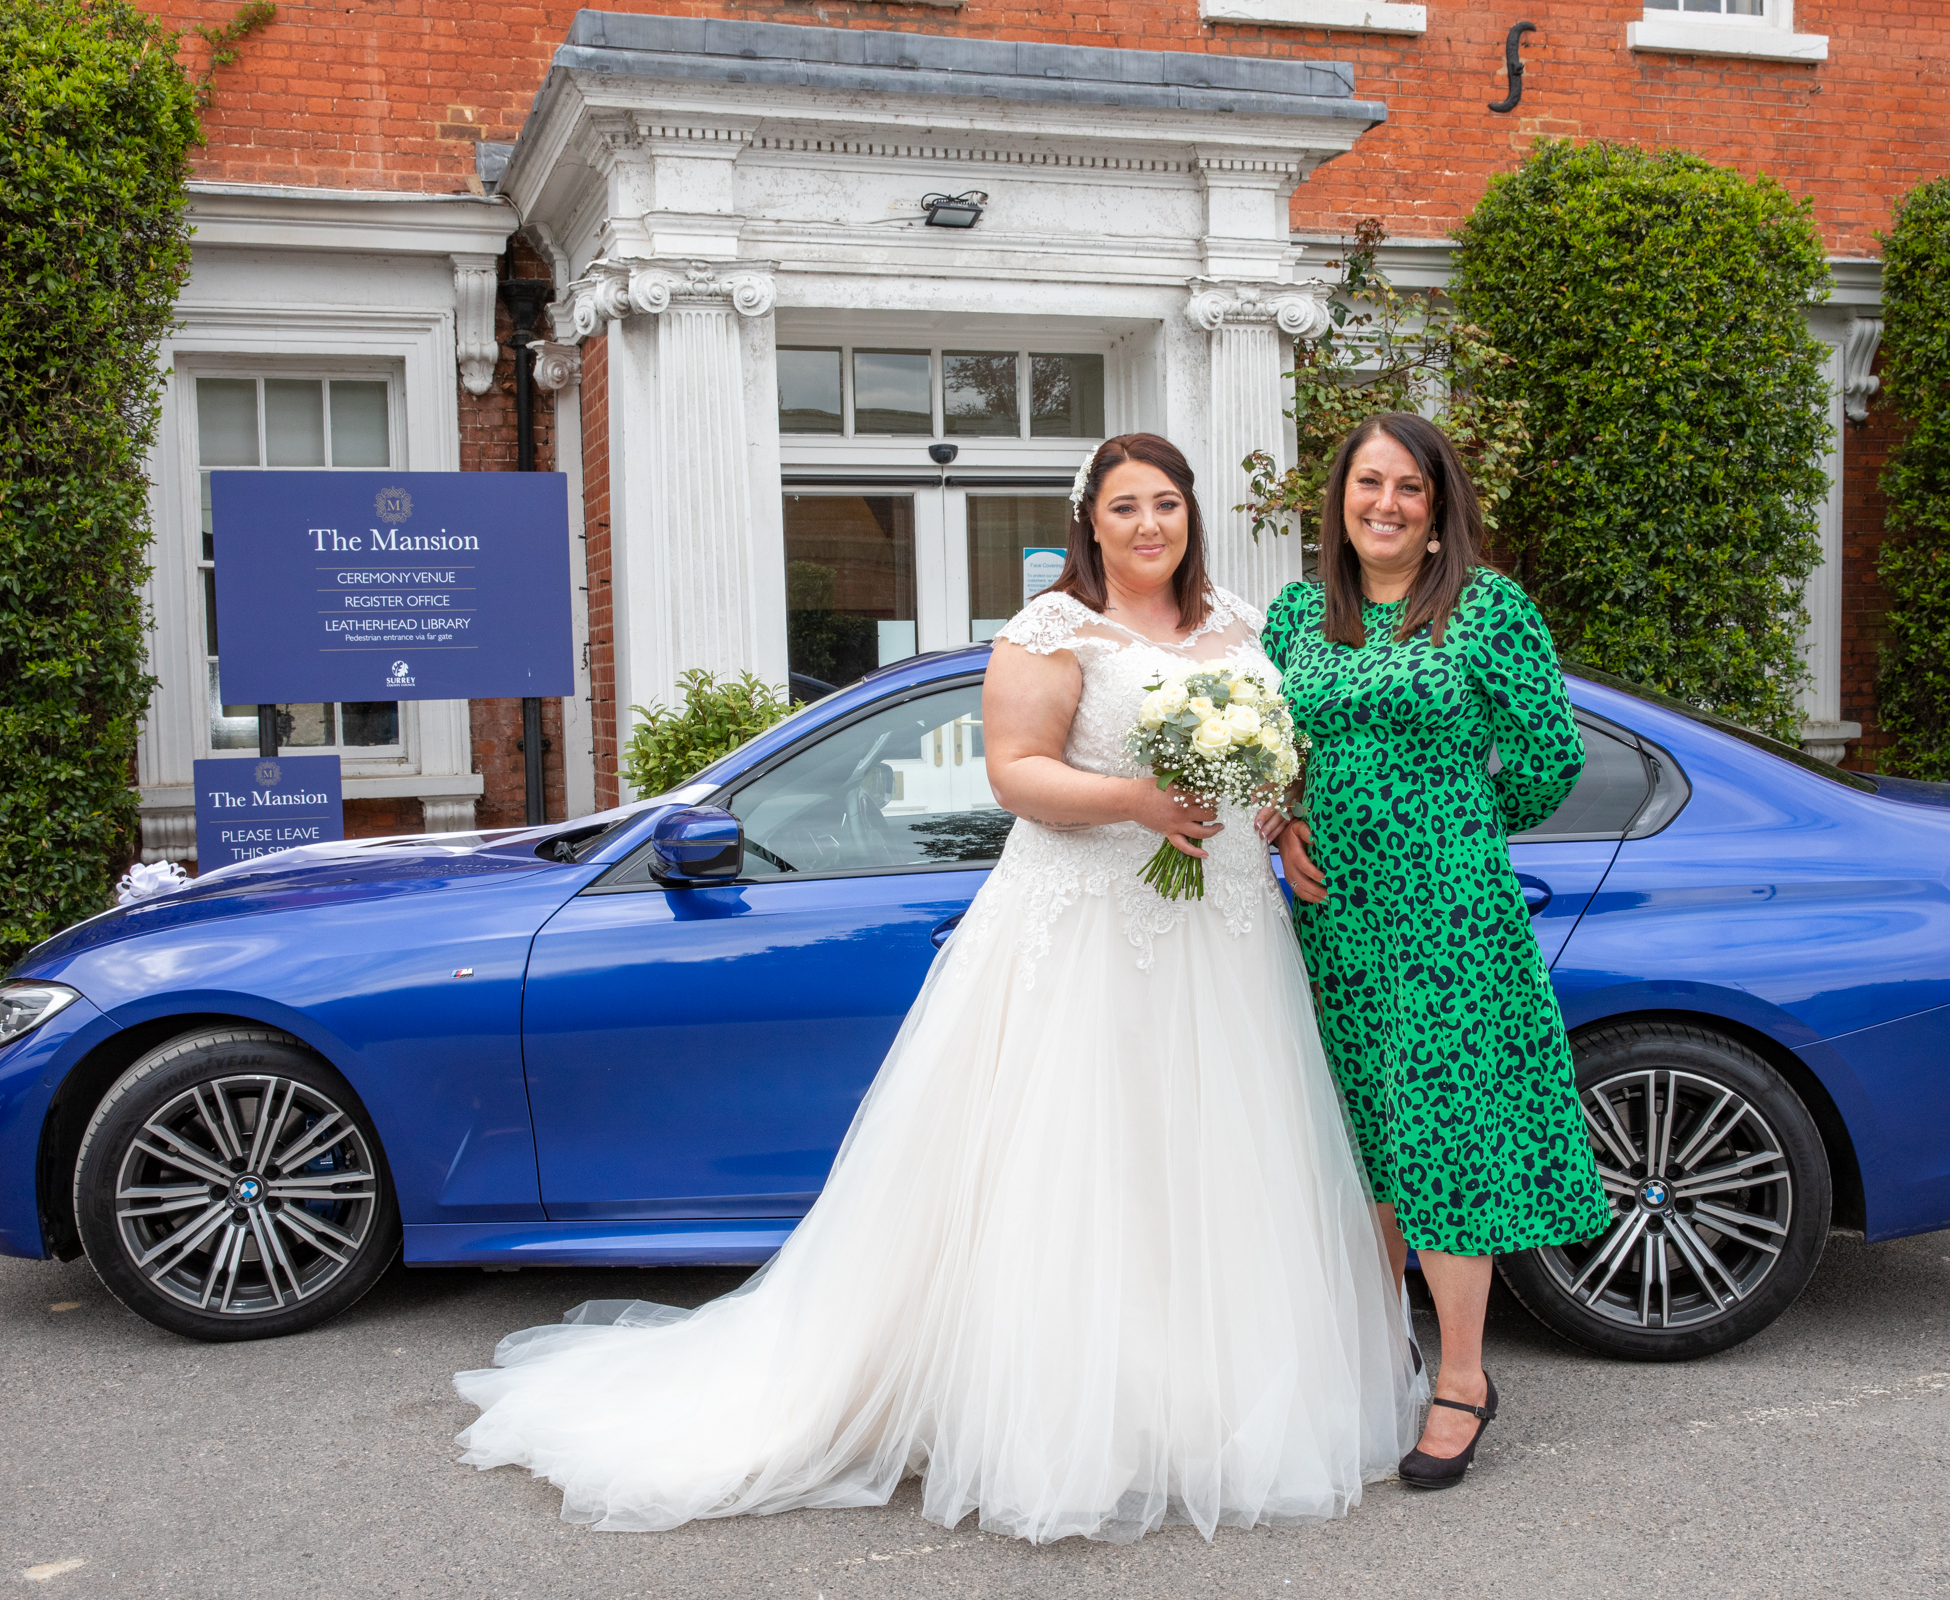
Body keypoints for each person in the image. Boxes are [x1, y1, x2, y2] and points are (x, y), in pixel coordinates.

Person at [453, 433, 1420, 1542]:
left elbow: (1283, 754)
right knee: (1083, 1164)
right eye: (1124, 507)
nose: (1149, 524)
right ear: (1089, 522)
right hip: (1091, 933)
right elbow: (1016, 774)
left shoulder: (1242, 625)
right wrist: (1139, 801)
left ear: (1190, 513)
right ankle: (1075, 1414)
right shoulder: (1052, 629)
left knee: (1216, 1159)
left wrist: (1273, 809)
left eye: (1165, 503)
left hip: (1228, 933)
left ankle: (1211, 1408)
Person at [1259, 412, 1612, 1491]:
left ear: (1439, 504)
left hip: (1449, 922)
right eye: (1370, 483)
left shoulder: (1488, 608)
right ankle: (1382, 1363)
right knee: (1365, 1141)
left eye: (1410, 486)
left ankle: (1462, 1377)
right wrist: (1287, 819)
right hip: (1336, 922)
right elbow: (1275, 750)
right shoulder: (1296, 615)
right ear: (1340, 500)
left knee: (1445, 1139)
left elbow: (1550, 758)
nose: (1388, 504)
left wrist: (1457, 827)